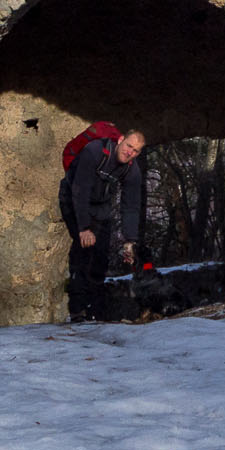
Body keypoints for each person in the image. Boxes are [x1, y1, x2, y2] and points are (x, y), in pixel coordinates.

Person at [61, 127, 146, 322]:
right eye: (128, 146)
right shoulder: (94, 151)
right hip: (73, 200)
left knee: (101, 258)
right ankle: (77, 312)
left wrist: (130, 240)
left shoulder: (131, 169)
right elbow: (80, 191)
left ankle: (95, 309)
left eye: (135, 150)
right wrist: (83, 228)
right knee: (84, 251)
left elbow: (131, 206)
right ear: (121, 140)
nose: (129, 152)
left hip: (100, 206)